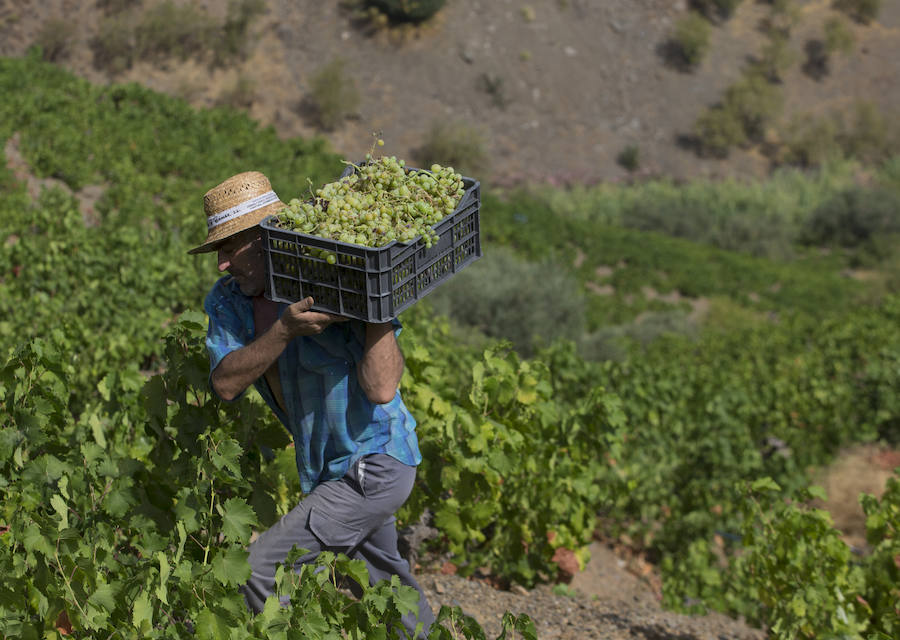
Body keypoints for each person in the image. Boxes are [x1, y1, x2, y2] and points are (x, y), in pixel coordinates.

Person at [189, 170, 435, 637]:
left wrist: (372, 307)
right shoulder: (230, 302)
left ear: (265, 239)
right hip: (330, 471)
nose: (221, 264)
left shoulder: (332, 280)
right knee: (390, 594)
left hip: (375, 464)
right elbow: (224, 383)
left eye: (229, 248)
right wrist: (283, 330)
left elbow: (382, 390)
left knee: (261, 571)